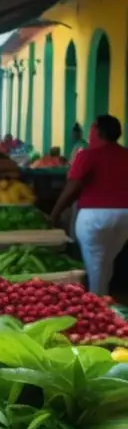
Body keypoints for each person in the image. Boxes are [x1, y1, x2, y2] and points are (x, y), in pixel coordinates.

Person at [50, 114, 128, 295]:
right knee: (107, 260)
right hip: (125, 215)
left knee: (94, 262)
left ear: (98, 132)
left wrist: (55, 213)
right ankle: (104, 299)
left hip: (94, 216)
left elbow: (73, 187)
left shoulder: (88, 155)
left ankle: (97, 303)